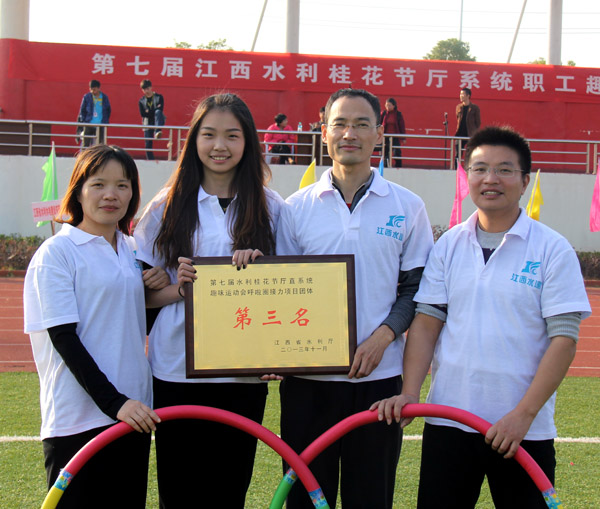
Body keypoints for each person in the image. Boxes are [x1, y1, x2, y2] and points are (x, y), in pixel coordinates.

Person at [372, 126, 591, 509]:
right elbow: (426, 324)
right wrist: (410, 392)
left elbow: (564, 341)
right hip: (448, 422)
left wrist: (523, 415)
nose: (491, 179)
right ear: (467, 176)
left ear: (524, 181)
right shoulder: (449, 245)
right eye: (480, 169)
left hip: (523, 431)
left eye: (505, 170)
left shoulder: (552, 249)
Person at [276, 88, 433, 508]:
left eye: (362, 124)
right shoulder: (294, 208)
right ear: (323, 131)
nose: (350, 134)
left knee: (371, 497)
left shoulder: (407, 206)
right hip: (306, 384)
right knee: (305, 498)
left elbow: (415, 289)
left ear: (379, 134)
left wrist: (383, 336)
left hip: (379, 384)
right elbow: (281, 290)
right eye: (340, 124)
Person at [133, 93, 284, 508]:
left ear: (248, 141)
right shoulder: (166, 205)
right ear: (194, 140)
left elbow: (288, 286)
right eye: (209, 135)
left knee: (229, 489)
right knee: (179, 490)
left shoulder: (272, 207)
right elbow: (140, 296)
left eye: (232, 135)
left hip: (243, 373)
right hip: (176, 370)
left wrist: (261, 269)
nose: (220, 146)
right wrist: (175, 288)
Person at [23, 145, 166, 508]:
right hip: (78, 421)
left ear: (132, 194)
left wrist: (169, 285)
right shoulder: (57, 252)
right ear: (78, 191)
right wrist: (115, 403)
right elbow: (64, 339)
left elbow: (131, 323)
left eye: (122, 185)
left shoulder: (132, 250)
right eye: (99, 184)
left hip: (132, 416)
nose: (110, 195)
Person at [77, 80, 111, 147]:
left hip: (100, 125)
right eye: (91, 89)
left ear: (98, 88)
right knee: (86, 144)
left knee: (100, 145)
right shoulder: (87, 97)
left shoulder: (104, 97)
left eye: (94, 89)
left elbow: (108, 110)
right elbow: (82, 110)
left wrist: (105, 121)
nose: (92, 91)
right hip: (89, 124)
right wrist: (84, 121)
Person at [139, 79, 166, 160]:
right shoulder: (141, 101)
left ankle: (158, 131)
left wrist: (149, 111)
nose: (146, 91)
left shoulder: (159, 97)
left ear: (151, 87)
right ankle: (150, 160)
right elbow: (143, 114)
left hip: (157, 120)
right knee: (148, 144)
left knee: (158, 112)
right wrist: (153, 110)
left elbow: (160, 109)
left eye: (147, 88)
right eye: (144, 89)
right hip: (147, 122)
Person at [454, 87, 481, 164]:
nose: (460, 96)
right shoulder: (458, 107)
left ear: (468, 96)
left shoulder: (475, 108)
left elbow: (478, 122)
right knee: (458, 154)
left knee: (469, 154)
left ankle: (468, 168)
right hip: (460, 134)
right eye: (460, 94)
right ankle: (457, 168)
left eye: (462, 94)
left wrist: (473, 131)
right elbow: (458, 119)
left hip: (470, 134)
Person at [380, 97, 406, 168]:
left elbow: (401, 126)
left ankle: (398, 166)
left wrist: (403, 138)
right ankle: (385, 166)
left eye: (389, 105)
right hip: (385, 137)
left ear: (394, 106)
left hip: (395, 137)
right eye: (386, 105)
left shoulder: (398, 115)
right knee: (385, 152)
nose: (387, 107)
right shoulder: (383, 114)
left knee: (396, 152)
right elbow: (379, 124)